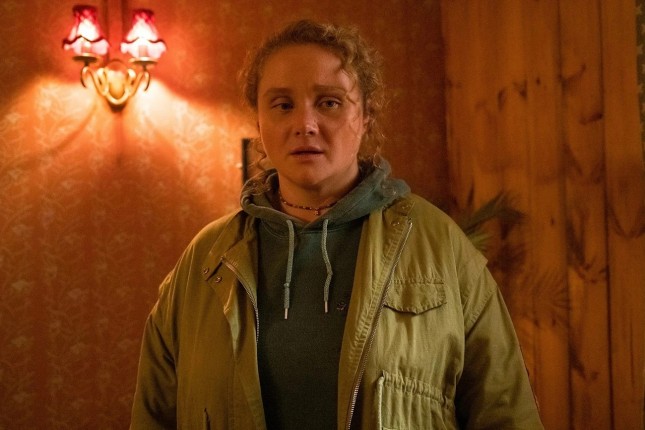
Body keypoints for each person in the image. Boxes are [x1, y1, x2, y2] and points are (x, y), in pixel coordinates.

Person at [130, 19, 544, 430]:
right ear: (259, 122)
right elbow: (154, 415)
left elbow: (507, 412)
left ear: (366, 117)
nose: (304, 124)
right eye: (283, 105)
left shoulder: (439, 246)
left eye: (329, 103)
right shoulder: (206, 262)